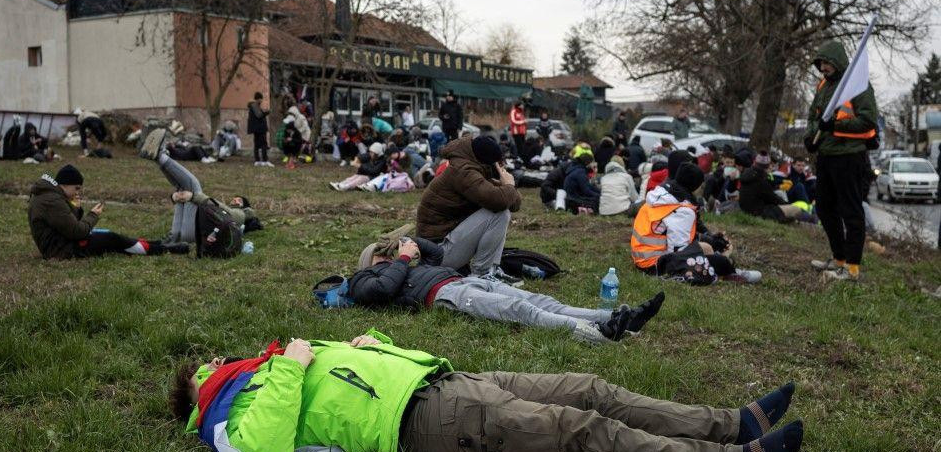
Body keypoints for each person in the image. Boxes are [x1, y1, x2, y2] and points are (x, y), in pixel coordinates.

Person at [170, 331, 804, 452]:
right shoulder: (227, 416)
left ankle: (732, 421)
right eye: (209, 365)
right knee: (577, 430)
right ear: (202, 384)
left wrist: (374, 344)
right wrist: (288, 367)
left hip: (445, 379)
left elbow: (348, 378)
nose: (221, 360)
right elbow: (265, 449)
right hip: (425, 421)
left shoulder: (266, 370)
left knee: (588, 388)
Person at [345, 236, 663, 343]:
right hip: (445, 296)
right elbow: (384, 290)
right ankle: (595, 332)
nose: (387, 253)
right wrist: (400, 257)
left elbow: (437, 255)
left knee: (540, 300)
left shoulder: (405, 263)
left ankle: (619, 318)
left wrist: (410, 243)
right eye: (380, 252)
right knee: (520, 311)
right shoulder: (365, 279)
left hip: (465, 281)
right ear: (370, 261)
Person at [805, 40, 879, 281]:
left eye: (826, 63)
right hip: (826, 156)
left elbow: (868, 121)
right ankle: (839, 258)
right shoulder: (824, 85)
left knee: (851, 211)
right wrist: (811, 137)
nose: (822, 68)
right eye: (820, 63)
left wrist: (835, 126)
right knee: (825, 208)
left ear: (837, 61)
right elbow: (813, 117)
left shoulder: (858, 85)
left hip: (849, 157)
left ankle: (852, 267)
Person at [630, 162, 762, 284]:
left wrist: (709, 240)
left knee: (706, 248)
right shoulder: (682, 210)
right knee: (720, 261)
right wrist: (721, 257)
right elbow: (679, 251)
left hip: (642, 258)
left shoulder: (661, 195)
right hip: (655, 265)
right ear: (694, 186)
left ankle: (725, 270)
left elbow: (672, 235)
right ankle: (730, 272)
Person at [27, 164, 188, 259]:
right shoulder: (52, 201)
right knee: (111, 239)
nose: (78, 192)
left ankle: (159, 243)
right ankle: (167, 249)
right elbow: (77, 231)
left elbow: (69, 224)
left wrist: (75, 207)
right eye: (76, 188)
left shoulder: (51, 196)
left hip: (62, 243)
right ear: (65, 184)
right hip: (61, 251)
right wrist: (93, 215)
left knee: (109, 235)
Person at [417, 136, 520, 278]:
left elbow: (513, 203)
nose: (501, 167)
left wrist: (506, 186)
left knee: (502, 210)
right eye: (499, 164)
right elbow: (500, 201)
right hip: (436, 255)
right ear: (489, 163)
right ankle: (481, 274)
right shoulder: (463, 172)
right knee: (500, 214)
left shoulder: (471, 168)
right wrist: (509, 186)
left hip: (440, 250)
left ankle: (491, 270)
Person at [140, 130, 258, 243]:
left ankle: (160, 157)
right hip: (183, 233)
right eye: (235, 198)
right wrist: (176, 197)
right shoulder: (230, 216)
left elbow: (226, 210)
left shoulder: (241, 215)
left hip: (195, 233)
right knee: (182, 188)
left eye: (239, 200)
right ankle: (158, 158)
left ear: (246, 207)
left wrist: (195, 196)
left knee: (193, 185)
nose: (235, 199)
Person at [735, 150, 810, 223]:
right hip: (760, 213)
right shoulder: (761, 180)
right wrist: (787, 205)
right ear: (766, 167)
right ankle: (810, 221)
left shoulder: (747, 175)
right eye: (770, 166)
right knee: (796, 210)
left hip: (747, 210)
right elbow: (773, 198)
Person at [247, 92, 272, 167]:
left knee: (257, 145)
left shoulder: (254, 106)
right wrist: (267, 112)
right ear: (258, 99)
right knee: (263, 144)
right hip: (260, 129)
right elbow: (259, 115)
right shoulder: (254, 105)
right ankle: (264, 160)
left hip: (257, 129)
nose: (261, 101)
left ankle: (257, 160)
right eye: (261, 99)